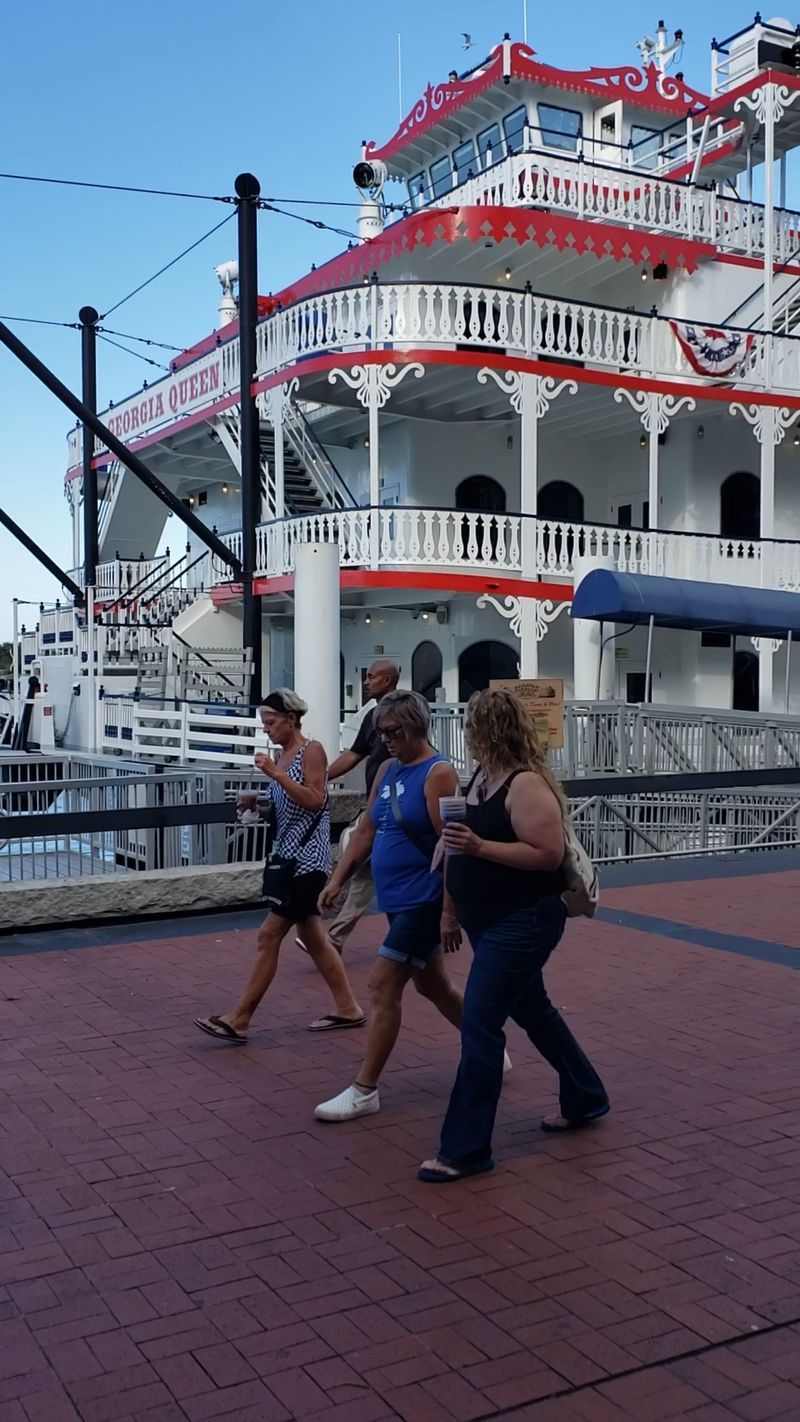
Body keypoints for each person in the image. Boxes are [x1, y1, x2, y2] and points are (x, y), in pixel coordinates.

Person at [418, 688, 609, 1183]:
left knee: (480, 1023)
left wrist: (480, 846)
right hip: (487, 918)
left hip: (524, 919)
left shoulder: (525, 785)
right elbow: (460, 849)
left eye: (471, 727)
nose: (467, 737)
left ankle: (466, 1148)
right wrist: (450, 911)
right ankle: (586, 1095)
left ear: (488, 731)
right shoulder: (482, 778)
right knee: (533, 1011)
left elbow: (545, 854)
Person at [313, 690, 474, 1121]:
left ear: (415, 727)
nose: (384, 738)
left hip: (425, 898)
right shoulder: (386, 768)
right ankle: (486, 1041)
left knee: (383, 984)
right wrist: (338, 879)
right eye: (380, 731)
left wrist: (449, 911)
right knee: (432, 984)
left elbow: (453, 846)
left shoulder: (438, 774)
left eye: (391, 731)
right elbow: (366, 830)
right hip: (397, 899)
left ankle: (365, 1089)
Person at [194, 689, 364, 1044]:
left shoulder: (310, 751)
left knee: (269, 934)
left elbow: (316, 800)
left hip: (307, 861)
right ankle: (348, 1007)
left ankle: (240, 1017)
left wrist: (275, 774)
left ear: (291, 719)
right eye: (264, 724)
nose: (267, 730)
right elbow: (289, 804)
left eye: (271, 723)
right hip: (289, 857)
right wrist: (259, 804)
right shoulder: (283, 756)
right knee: (313, 937)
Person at [296, 658, 399, 957]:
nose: (366, 682)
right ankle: (338, 938)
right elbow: (355, 753)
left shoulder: (404, 710)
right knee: (366, 873)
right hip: (376, 801)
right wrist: (322, 777)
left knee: (366, 864)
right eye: (366, 676)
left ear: (388, 680)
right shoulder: (372, 716)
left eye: (371, 677)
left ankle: (411, 930)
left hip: (395, 801)